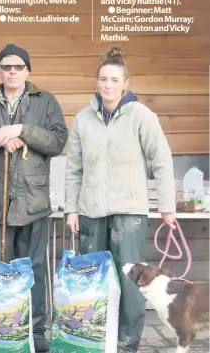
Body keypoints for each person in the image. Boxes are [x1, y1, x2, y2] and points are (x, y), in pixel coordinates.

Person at [64, 47, 176, 353]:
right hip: (91, 212)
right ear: (96, 82)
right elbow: (73, 167)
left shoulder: (142, 116)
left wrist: (167, 207)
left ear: (125, 83)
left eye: (114, 79)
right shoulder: (83, 120)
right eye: (103, 79)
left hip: (129, 212)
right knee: (93, 279)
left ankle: (126, 345)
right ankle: (95, 339)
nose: (107, 85)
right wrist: (72, 209)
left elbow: (162, 161)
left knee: (130, 280)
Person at [0, 44, 68, 351]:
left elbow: (58, 140)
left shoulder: (45, 101)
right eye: (6, 67)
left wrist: (24, 130)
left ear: (28, 72)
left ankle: (35, 332)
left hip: (33, 203)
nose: (12, 72)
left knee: (33, 267)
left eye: (18, 67)